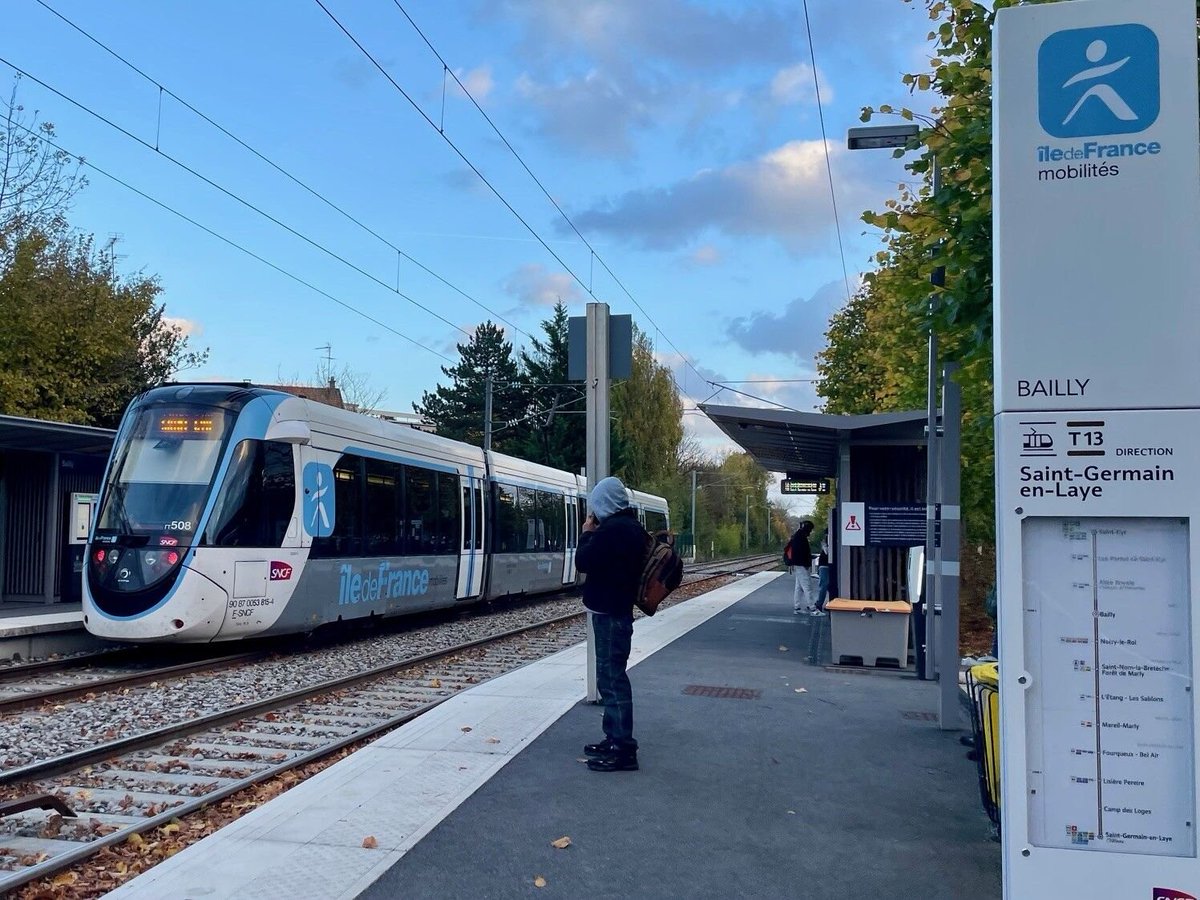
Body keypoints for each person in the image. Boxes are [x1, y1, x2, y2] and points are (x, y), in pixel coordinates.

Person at [574, 475, 645, 773]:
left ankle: (622, 748)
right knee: (610, 676)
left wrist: (587, 534)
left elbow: (583, 562)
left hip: (610, 614)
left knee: (612, 678)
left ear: (603, 504)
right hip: (617, 611)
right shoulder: (630, 528)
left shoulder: (613, 530)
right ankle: (613, 737)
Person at [787, 521, 816, 615]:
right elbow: (803, 553)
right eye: (810, 530)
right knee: (807, 587)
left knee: (798, 587)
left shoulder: (797, 536)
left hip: (798, 565)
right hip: (801, 565)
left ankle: (797, 606)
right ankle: (813, 608)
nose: (810, 532)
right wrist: (808, 561)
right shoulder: (801, 538)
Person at [815, 538, 831, 614]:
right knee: (824, 586)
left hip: (823, 566)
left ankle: (819, 603)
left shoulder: (825, 545)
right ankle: (819, 604)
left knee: (825, 586)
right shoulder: (827, 546)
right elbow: (827, 554)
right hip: (825, 566)